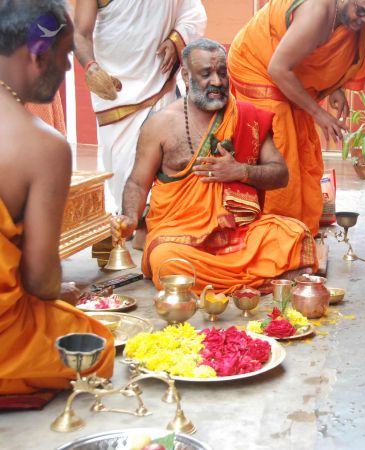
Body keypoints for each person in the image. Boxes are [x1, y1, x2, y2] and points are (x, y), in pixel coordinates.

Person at [112, 39, 317, 294]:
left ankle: (221, 283)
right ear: (186, 76)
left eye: (222, 73)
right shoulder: (160, 125)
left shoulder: (246, 116)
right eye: (206, 73)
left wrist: (241, 171)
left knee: (295, 235)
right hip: (181, 237)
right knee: (165, 260)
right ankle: (255, 279)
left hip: (239, 233)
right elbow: (137, 182)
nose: (217, 82)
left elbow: (280, 174)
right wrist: (131, 218)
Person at [0, 0, 114, 395]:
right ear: (38, 55)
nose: (68, 69)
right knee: (96, 344)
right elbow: (41, 280)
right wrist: (56, 293)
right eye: (65, 55)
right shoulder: (43, 145)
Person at [227, 0, 365, 235]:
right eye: (360, 11)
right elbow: (278, 68)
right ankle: (275, 230)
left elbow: (323, 59)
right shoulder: (317, 11)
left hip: (287, 70)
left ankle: (301, 225)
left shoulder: (348, 22)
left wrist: (334, 87)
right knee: (283, 147)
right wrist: (319, 114)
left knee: (303, 146)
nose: (364, 21)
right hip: (257, 66)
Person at [73, 0, 206, 214]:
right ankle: (133, 221)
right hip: (115, 90)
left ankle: (158, 221)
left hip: (159, 83)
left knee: (166, 171)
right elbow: (80, 33)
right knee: (123, 175)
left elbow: (193, 12)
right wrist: (91, 67)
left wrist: (176, 40)